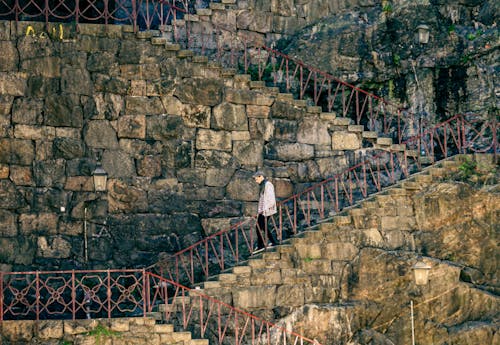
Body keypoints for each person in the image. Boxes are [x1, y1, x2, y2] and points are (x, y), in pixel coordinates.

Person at [252, 171, 278, 253]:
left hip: (267, 210)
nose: (256, 181)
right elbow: (262, 200)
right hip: (263, 211)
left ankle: (264, 244)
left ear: (261, 176)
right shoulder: (263, 185)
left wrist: (266, 209)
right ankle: (266, 243)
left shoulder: (268, 185)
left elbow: (271, 198)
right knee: (260, 226)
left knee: (260, 226)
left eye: (256, 179)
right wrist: (259, 211)